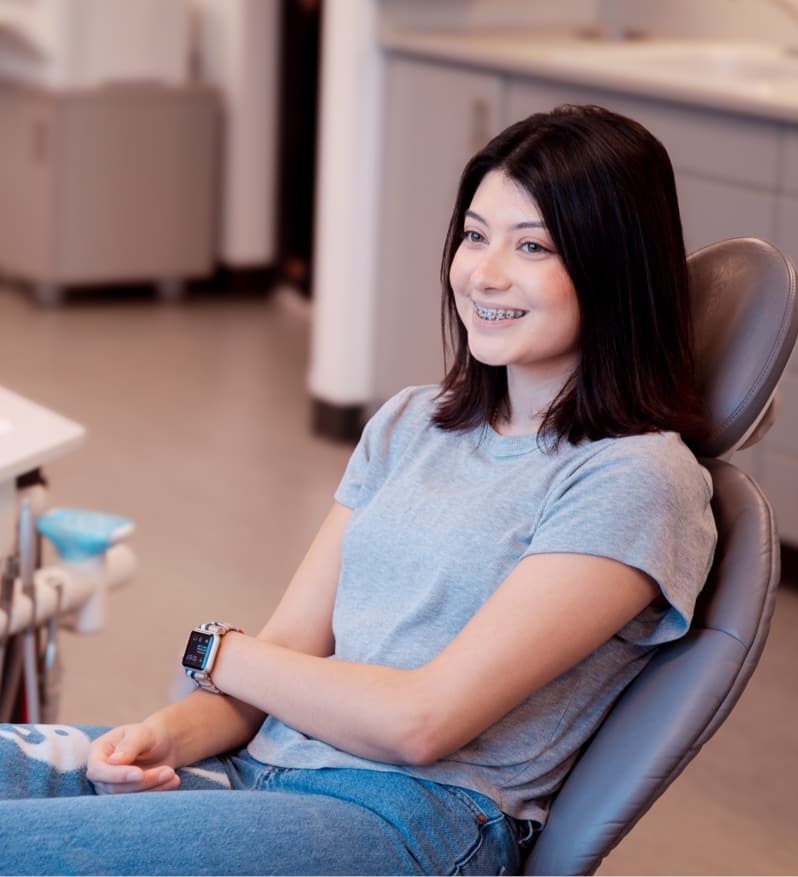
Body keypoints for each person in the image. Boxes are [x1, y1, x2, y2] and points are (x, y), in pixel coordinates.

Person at [0, 104, 716, 875]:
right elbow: (282, 655)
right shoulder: (413, 422)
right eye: (475, 234)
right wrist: (170, 731)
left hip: (406, 812)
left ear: (613, 269)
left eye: (532, 245)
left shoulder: (636, 477)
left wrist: (220, 650)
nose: (484, 271)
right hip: (260, 770)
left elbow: (422, 721)